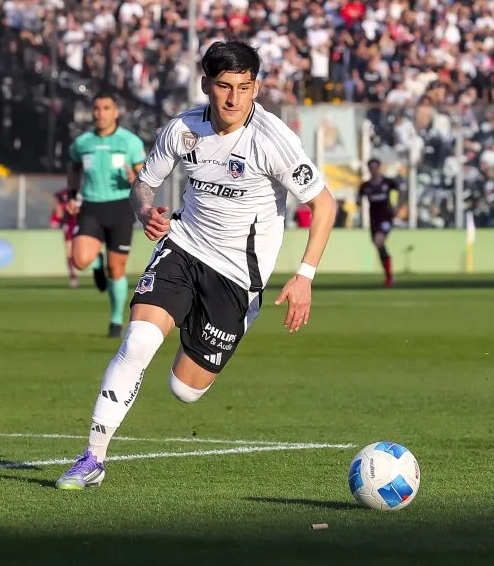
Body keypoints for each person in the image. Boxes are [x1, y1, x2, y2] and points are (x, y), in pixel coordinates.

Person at [55, 40, 337, 490]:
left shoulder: (273, 139)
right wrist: (145, 212)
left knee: (185, 390)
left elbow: (324, 204)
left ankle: (206, 338)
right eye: (224, 87)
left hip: (237, 278)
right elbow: (143, 186)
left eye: (244, 88)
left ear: (256, 88)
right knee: (137, 342)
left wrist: (305, 275)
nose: (233, 99)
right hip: (184, 248)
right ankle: (92, 457)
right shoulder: (182, 129)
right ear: (206, 84)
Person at [64, 93, 147, 337]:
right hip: (91, 206)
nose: (100, 113)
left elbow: (143, 175)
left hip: (120, 207)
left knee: (117, 269)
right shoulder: (82, 143)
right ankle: (95, 263)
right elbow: (73, 167)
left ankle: (114, 321)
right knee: (80, 260)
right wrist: (71, 195)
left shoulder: (129, 142)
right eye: (97, 108)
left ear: (116, 112)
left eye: (106, 108)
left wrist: (135, 180)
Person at [357, 159, 399, 287]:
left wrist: (397, 207)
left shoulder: (387, 182)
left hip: (386, 218)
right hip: (373, 220)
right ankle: (389, 275)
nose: (373, 170)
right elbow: (358, 200)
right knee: (378, 245)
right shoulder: (365, 186)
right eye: (371, 168)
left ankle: (389, 277)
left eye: (375, 167)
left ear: (379, 168)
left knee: (379, 240)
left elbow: (402, 190)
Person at [50, 188, 80, 288]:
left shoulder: (84, 192)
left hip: (82, 226)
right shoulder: (63, 195)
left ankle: (99, 270)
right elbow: (58, 213)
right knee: (69, 254)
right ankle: (73, 277)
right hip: (69, 228)